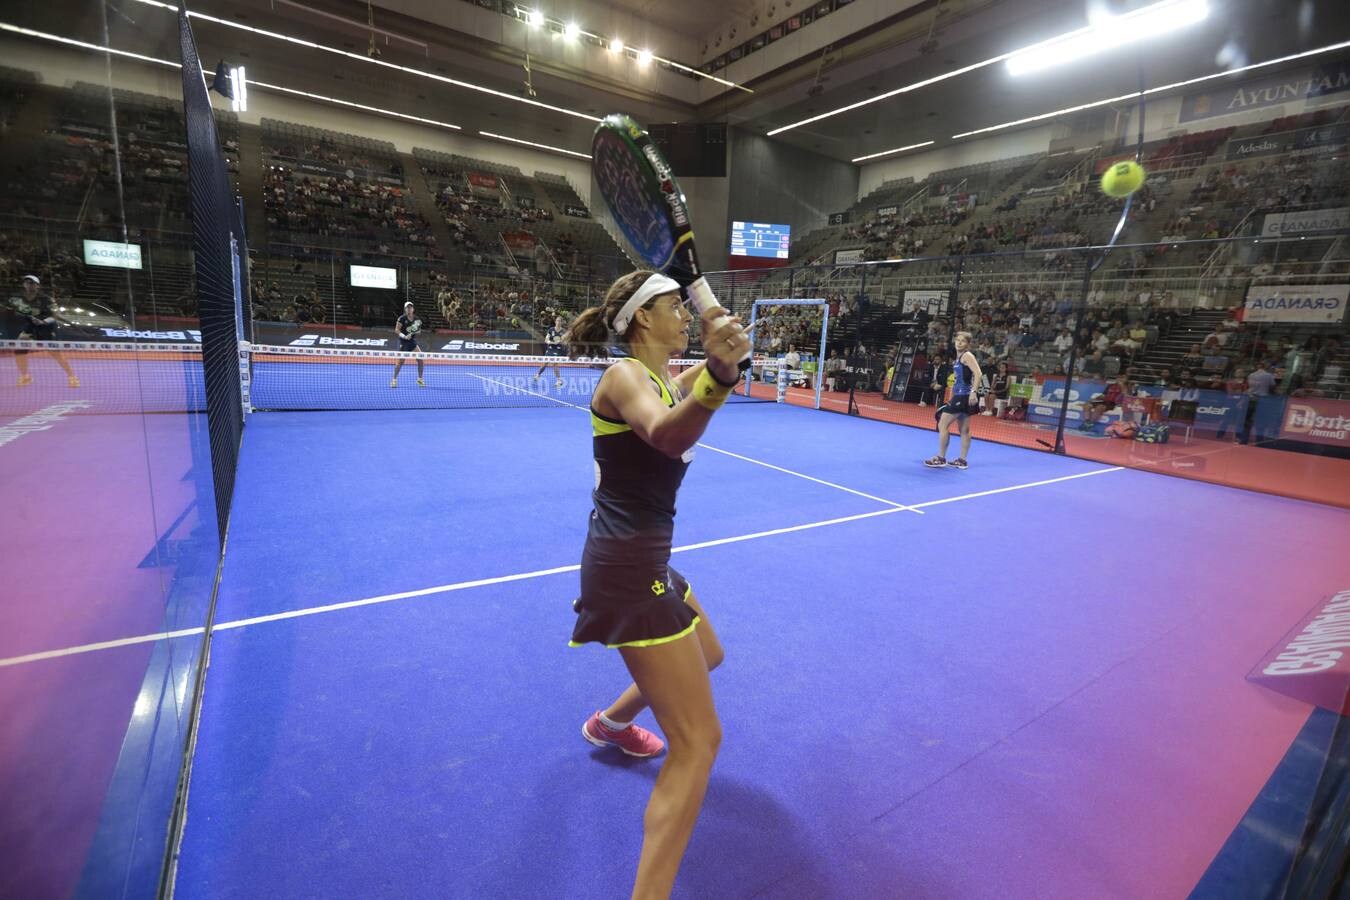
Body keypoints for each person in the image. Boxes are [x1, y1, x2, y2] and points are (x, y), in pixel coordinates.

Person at [565, 270, 749, 898]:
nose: (682, 317)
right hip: (626, 570)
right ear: (644, 319)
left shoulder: (659, 380)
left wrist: (722, 358)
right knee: (699, 742)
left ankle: (611, 725)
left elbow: (688, 392)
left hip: (642, 560)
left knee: (711, 652)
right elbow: (669, 437)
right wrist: (720, 375)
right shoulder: (624, 378)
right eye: (675, 307)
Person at [925, 331, 984, 469]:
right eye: (957, 340)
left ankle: (940, 458)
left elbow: (978, 373)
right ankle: (962, 461)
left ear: (968, 344)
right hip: (961, 395)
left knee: (942, 424)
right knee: (964, 429)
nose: (959, 343)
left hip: (964, 396)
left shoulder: (967, 356)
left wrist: (973, 393)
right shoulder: (958, 358)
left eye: (963, 341)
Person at [9, 275, 78, 387]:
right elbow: (16, 311)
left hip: (46, 328)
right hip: (30, 328)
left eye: (32, 283)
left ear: (38, 285)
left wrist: (44, 322)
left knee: (56, 354)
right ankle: (25, 376)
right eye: (26, 282)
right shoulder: (20, 299)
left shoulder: (46, 299)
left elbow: (55, 316)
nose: (29, 284)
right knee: (19, 350)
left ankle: (72, 376)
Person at [390, 301, 424, 388]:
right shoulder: (401, 318)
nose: (409, 309)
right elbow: (397, 330)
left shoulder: (417, 319)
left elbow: (419, 331)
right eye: (407, 308)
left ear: (413, 309)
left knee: (420, 359)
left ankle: (420, 379)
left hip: (412, 342)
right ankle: (394, 380)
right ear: (405, 309)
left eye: (410, 307)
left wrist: (412, 333)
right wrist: (404, 336)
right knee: (400, 362)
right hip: (404, 342)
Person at [533, 315, 566, 388]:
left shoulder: (563, 331)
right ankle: (538, 375)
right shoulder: (551, 329)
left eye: (560, 321)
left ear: (562, 322)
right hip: (550, 348)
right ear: (555, 322)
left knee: (555, 363)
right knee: (545, 363)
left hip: (558, 349)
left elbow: (564, 340)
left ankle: (559, 380)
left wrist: (560, 341)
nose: (558, 322)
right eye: (557, 321)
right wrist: (549, 342)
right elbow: (546, 339)